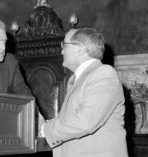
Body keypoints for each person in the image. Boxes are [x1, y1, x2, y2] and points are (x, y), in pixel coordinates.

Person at [42, 27, 128, 157]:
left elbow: (84, 121)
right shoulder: (76, 79)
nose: (62, 51)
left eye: (64, 45)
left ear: (81, 49)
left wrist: (44, 129)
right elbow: (67, 120)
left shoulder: (104, 74)